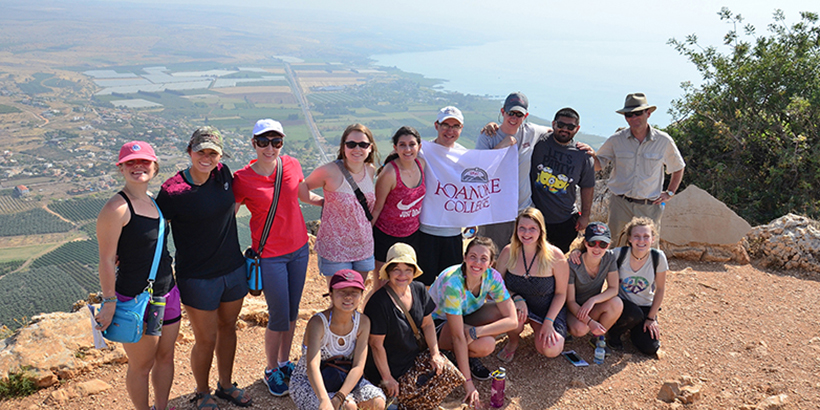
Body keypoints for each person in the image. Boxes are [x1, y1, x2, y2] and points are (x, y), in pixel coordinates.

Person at [156, 127, 251, 409]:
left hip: (233, 269)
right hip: (197, 277)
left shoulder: (223, 174)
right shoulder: (172, 191)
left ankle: (226, 385)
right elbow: (157, 231)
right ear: (190, 152)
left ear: (219, 156)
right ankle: (202, 392)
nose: (206, 158)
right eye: (201, 152)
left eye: (213, 153)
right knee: (205, 338)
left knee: (229, 328)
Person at [233, 119, 323, 397]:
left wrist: (329, 202)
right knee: (278, 316)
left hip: (298, 250)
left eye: (276, 141)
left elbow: (301, 195)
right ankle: (271, 369)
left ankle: (285, 362)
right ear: (254, 144)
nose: (270, 147)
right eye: (263, 141)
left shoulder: (292, 164)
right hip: (270, 256)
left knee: (293, 311)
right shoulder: (242, 178)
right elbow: (227, 216)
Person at [96, 141, 181, 410]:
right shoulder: (116, 208)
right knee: (142, 365)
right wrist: (109, 302)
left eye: (144, 162)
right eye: (131, 162)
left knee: (166, 357)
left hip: (167, 293)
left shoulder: (154, 204)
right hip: (134, 298)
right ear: (121, 168)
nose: (138, 167)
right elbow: (107, 260)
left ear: (155, 168)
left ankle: (162, 406)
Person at [428, 237, 517, 409]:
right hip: (436, 323)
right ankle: (458, 356)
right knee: (487, 344)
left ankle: (465, 352)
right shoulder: (453, 281)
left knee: (499, 313)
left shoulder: (493, 277)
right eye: (473, 256)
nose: (477, 263)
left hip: (464, 316)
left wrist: (475, 332)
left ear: (491, 263)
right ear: (464, 257)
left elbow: (512, 320)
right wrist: (468, 384)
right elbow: (458, 336)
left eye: (483, 259)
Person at [363, 243, 457, 408]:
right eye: (396, 269)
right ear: (388, 272)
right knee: (409, 399)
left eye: (408, 269)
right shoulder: (378, 302)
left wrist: (435, 353)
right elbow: (376, 345)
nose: (402, 275)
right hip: (390, 367)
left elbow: (428, 324)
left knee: (449, 373)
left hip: (413, 358)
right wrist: (387, 378)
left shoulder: (419, 289)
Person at [592, 93, 686, 246]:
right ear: (625, 117)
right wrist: (586, 153)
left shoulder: (663, 141)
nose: (634, 117)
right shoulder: (616, 140)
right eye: (629, 114)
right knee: (615, 248)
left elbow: (678, 167)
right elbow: (598, 164)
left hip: (649, 207)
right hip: (620, 204)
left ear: (648, 113)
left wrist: (670, 192)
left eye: (638, 113)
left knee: (647, 252)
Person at [289, 270, 386, 410]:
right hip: (311, 382)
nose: (348, 297)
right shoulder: (318, 323)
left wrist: (339, 397)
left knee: (378, 402)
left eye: (354, 292)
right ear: (331, 294)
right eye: (342, 291)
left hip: (343, 377)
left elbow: (358, 366)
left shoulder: (363, 322)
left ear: (361, 295)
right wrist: (324, 400)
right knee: (348, 407)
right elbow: (312, 367)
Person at [302, 124, 378, 285]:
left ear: (370, 148)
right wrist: (323, 202)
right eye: (351, 144)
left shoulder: (370, 170)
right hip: (335, 247)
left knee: (356, 295)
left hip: (363, 246)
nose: (357, 148)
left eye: (363, 144)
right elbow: (301, 189)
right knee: (340, 296)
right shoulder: (329, 171)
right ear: (343, 147)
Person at [475, 92, 552, 250]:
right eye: (511, 113)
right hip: (495, 212)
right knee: (493, 256)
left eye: (519, 114)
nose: (514, 118)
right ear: (503, 112)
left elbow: (554, 131)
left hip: (523, 210)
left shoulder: (531, 131)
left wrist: (583, 148)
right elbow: (480, 172)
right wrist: (502, 146)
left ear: (526, 116)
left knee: (522, 259)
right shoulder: (488, 136)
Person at [494, 208, 569, 363]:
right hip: (518, 308)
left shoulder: (555, 256)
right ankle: (513, 341)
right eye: (522, 228)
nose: (526, 233)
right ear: (516, 230)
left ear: (541, 230)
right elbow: (496, 286)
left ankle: (539, 327)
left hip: (547, 309)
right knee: (515, 319)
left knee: (550, 349)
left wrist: (548, 322)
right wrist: (515, 297)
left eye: (532, 229)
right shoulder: (508, 252)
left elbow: (561, 293)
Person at [367, 126, 426, 300]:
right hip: (386, 236)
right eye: (402, 145)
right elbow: (377, 207)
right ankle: (373, 321)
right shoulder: (390, 173)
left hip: (413, 235)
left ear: (419, 146)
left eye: (411, 144)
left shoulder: (421, 165)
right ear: (395, 148)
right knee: (382, 285)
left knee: (405, 283)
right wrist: (366, 235)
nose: (407, 149)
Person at [530, 108, 596, 252]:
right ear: (553, 124)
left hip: (564, 221)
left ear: (577, 129)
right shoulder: (538, 143)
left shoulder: (583, 155)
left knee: (556, 262)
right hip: (534, 218)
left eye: (570, 127)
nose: (565, 129)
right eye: (560, 125)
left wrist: (585, 216)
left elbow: (588, 186)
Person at [416, 106, 467, 286]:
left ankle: (446, 315)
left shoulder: (465, 155)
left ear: (461, 129)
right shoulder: (421, 151)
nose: (450, 130)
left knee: (452, 285)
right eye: (445, 124)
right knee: (423, 283)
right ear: (436, 125)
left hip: (453, 231)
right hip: (426, 229)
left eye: (455, 126)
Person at [607, 217, 668, 356]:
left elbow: (660, 289)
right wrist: (577, 252)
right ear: (629, 238)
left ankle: (633, 329)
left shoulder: (658, 258)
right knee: (634, 314)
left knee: (649, 347)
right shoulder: (618, 254)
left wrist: (651, 318)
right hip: (622, 304)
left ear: (653, 239)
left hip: (645, 306)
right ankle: (614, 334)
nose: (641, 240)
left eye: (646, 236)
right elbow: (595, 255)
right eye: (637, 236)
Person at [565, 222, 624, 344]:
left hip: (590, 306)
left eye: (603, 244)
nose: (597, 248)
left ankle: (598, 337)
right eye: (592, 243)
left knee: (617, 303)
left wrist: (593, 300)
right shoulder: (573, 264)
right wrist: (590, 322)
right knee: (581, 329)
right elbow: (570, 301)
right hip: (572, 309)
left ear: (608, 245)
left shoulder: (609, 258)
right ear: (585, 243)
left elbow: (614, 289)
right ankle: (566, 328)